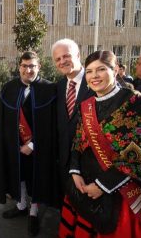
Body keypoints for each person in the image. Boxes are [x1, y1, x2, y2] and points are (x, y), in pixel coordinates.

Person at [58, 50, 141, 237]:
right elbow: (78, 141)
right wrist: (75, 172)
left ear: (116, 71)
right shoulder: (87, 103)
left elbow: (139, 153)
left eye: (101, 69)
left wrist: (101, 185)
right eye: (89, 71)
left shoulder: (138, 102)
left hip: (121, 194)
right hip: (84, 186)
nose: (94, 76)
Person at [0, 51, 59, 237]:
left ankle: (33, 212)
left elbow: (52, 125)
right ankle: (21, 206)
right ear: (19, 66)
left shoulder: (50, 89)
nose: (28, 70)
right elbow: (3, 121)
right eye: (24, 66)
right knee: (18, 176)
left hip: (39, 148)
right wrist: (9, 145)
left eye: (32, 66)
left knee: (35, 178)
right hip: (15, 147)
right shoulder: (9, 88)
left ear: (39, 67)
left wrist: (33, 145)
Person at [51, 38, 93, 194]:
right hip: (64, 159)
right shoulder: (59, 86)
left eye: (66, 56)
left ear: (78, 55)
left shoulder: (95, 81)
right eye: (58, 59)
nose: (62, 61)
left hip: (90, 161)